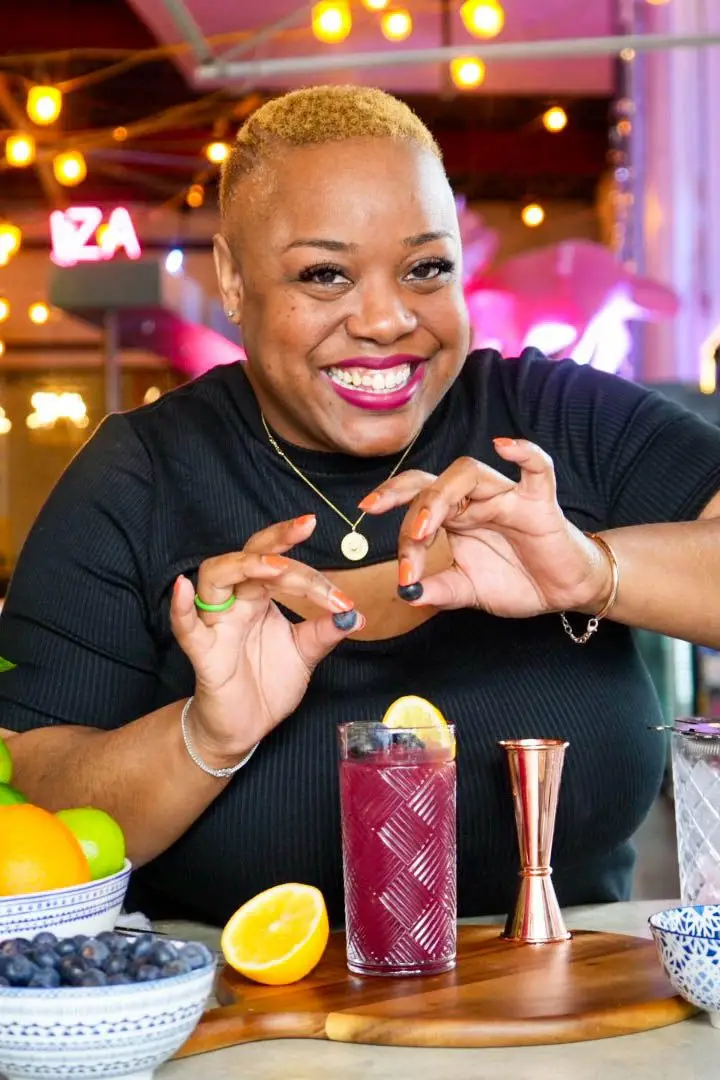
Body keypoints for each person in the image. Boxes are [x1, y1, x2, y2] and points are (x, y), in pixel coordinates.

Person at [1, 84, 720, 929]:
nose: (385, 320)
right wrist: (206, 735)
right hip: (255, 1031)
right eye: (324, 274)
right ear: (232, 279)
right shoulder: (139, 474)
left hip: (575, 1014)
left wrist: (593, 570)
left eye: (426, 268)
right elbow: (36, 806)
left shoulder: (557, 418)